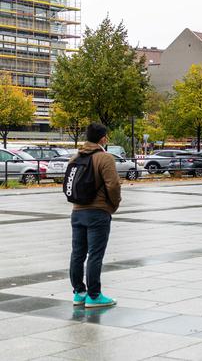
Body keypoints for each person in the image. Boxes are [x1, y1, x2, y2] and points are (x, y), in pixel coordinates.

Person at [68, 123, 122, 308]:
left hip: (77, 211)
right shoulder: (105, 158)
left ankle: (79, 293)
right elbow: (113, 185)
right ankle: (94, 295)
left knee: (77, 254)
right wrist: (113, 205)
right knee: (95, 255)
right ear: (103, 138)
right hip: (98, 212)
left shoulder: (75, 157)